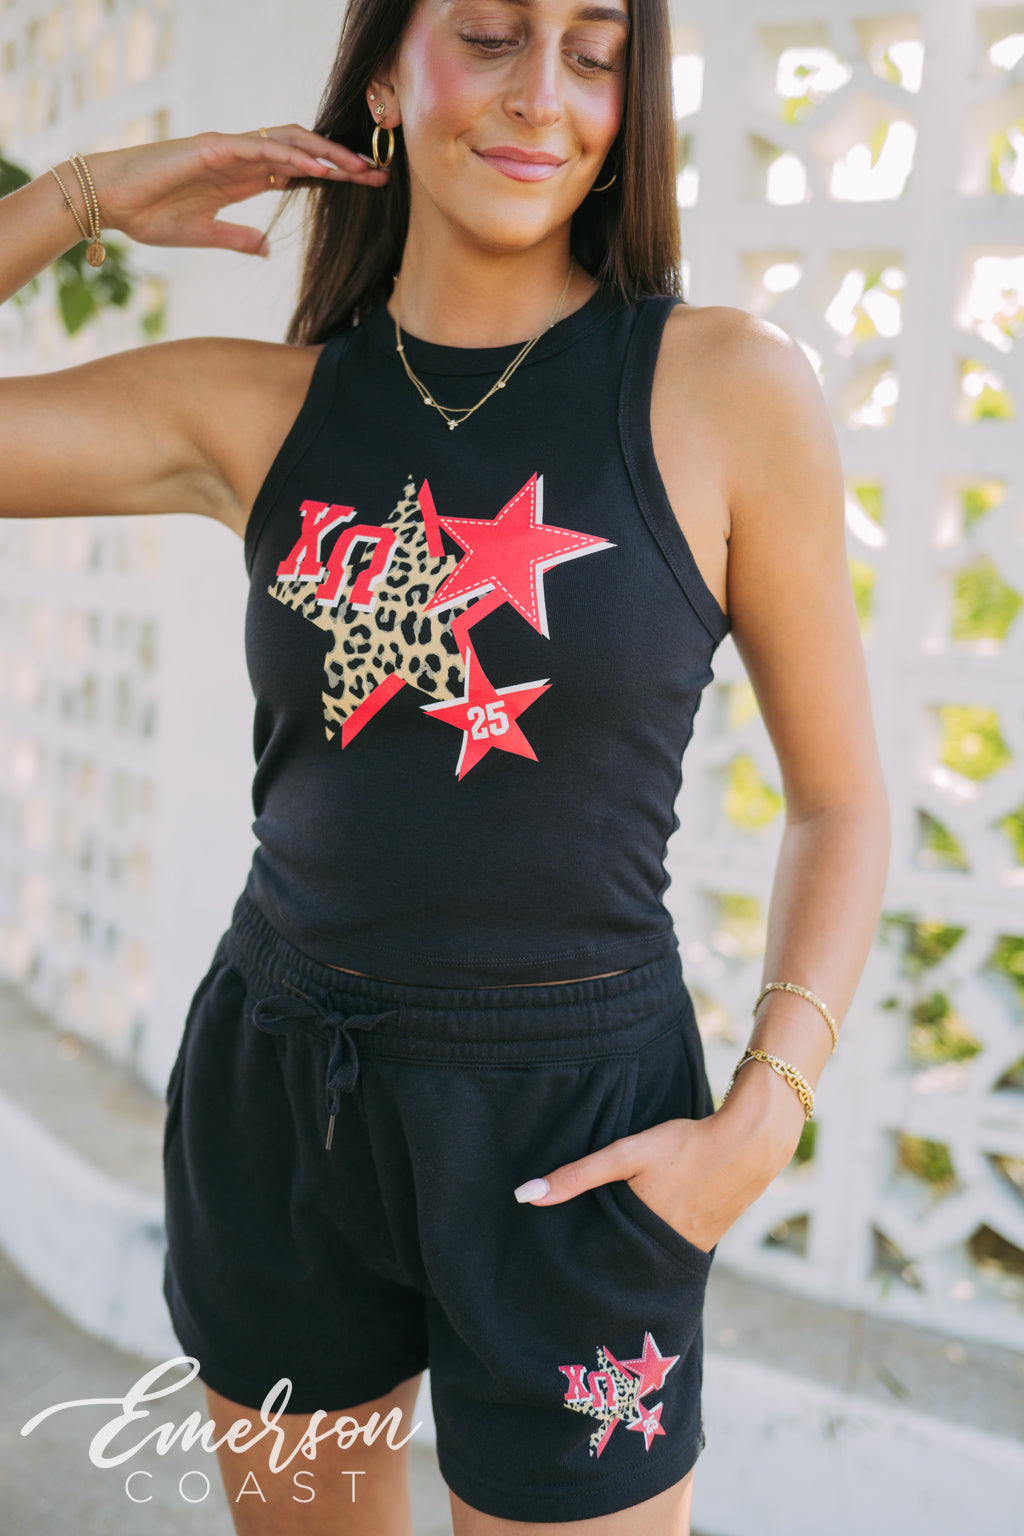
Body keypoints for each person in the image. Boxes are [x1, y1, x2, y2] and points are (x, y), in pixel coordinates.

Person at [0, 0, 890, 1530]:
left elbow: (844, 800)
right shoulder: (259, 408)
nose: (542, 94)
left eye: (594, 55)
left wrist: (766, 1114)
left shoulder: (725, 388)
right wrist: (85, 193)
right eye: (487, 34)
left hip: (578, 1139)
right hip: (283, 1108)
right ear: (383, 82)